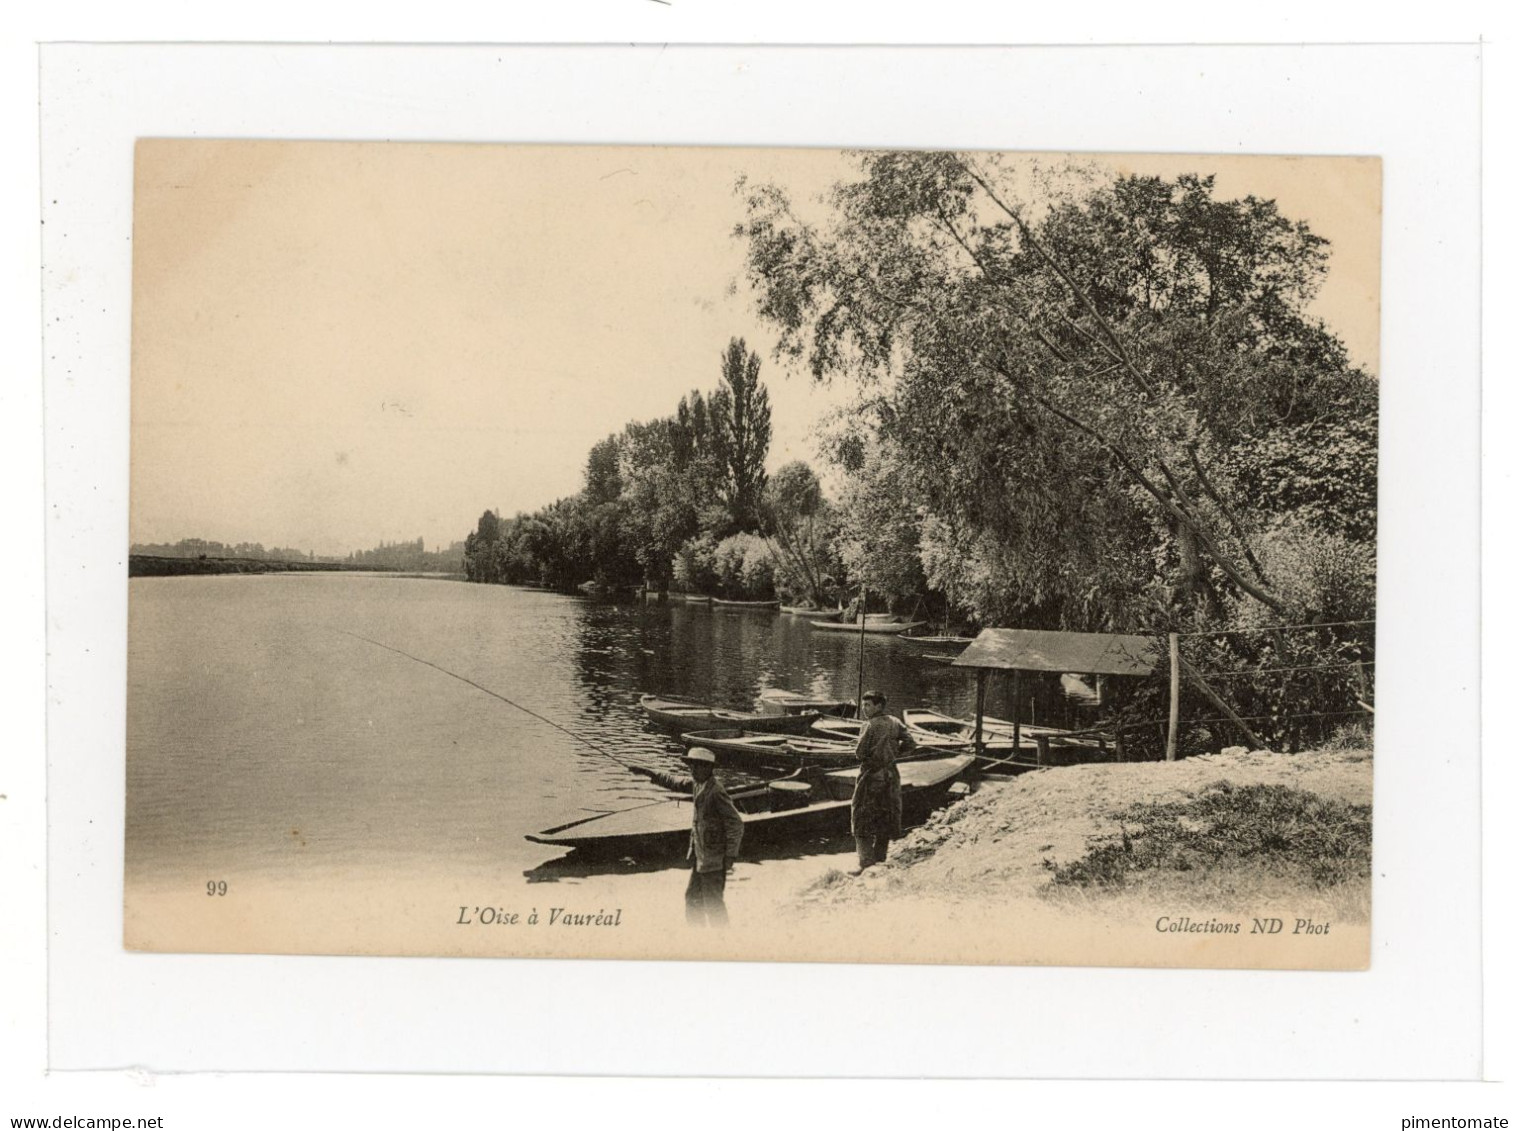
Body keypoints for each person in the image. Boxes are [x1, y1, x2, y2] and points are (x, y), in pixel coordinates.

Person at [851, 690, 917, 872]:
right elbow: (911, 744)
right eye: (864, 705)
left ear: (879, 706)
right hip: (891, 775)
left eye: (868, 705)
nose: (864, 709)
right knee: (885, 817)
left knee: (861, 818)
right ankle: (880, 859)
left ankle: (866, 864)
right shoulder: (895, 722)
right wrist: (894, 753)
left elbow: (859, 754)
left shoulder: (869, 725)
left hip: (871, 776)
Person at [683, 747, 744, 927]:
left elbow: (736, 824)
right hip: (700, 857)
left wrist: (731, 855)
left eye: (698, 767)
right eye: (691, 766)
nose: (693, 770)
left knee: (713, 904)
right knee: (692, 899)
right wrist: (647, 773)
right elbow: (672, 781)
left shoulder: (716, 791)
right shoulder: (696, 784)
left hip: (714, 859)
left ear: (709, 769)